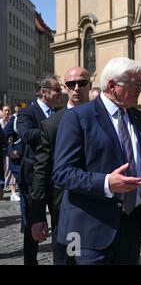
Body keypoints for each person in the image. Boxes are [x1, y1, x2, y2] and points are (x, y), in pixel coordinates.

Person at [52, 57, 141, 264]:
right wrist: (106, 183)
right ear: (112, 86)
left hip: (131, 227)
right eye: (136, 83)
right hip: (89, 229)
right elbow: (62, 173)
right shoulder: (78, 118)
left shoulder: (139, 118)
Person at [30, 67, 92, 264]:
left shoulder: (106, 118)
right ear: (65, 88)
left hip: (101, 209)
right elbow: (41, 170)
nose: (77, 88)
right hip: (66, 210)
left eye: (82, 83)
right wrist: (38, 215)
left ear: (89, 85)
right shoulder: (52, 124)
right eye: (71, 84)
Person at [17, 75, 62, 265]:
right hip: (33, 178)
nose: (61, 93)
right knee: (33, 223)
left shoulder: (59, 112)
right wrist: (52, 131)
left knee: (60, 221)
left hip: (56, 176)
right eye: (57, 90)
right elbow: (27, 135)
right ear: (44, 92)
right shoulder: (28, 113)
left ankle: (60, 259)